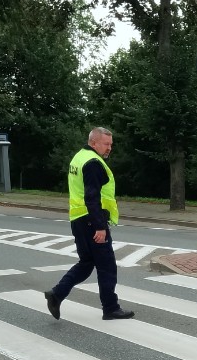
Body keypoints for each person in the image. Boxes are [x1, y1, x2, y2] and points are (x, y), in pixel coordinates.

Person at [45, 127, 135, 322]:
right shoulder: (94, 163)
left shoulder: (79, 157)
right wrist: (100, 226)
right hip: (91, 220)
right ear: (94, 142)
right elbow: (92, 197)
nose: (110, 148)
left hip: (78, 220)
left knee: (86, 263)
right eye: (106, 144)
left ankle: (57, 294)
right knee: (107, 266)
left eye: (111, 144)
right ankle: (110, 308)